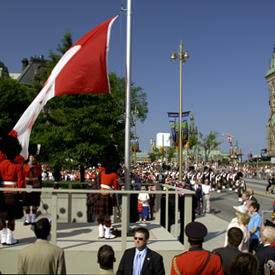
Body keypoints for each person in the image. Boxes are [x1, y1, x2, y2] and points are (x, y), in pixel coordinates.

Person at [88, 145, 120, 239]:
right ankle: (107, 234)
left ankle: (101, 233)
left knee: (100, 215)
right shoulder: (114, 175)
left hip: (98, 195)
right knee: (107, 216)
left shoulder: (101, 171)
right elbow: (117, 187)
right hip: (107, 196)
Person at [0, 135, 25, 245]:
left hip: (2, 192)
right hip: (13, 193)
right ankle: (10, 238)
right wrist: (20, 193)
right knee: (11, 216)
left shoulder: (1, 164)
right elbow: (21, 182)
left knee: (1, 215)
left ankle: (3, 237)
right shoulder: (18, 166)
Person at [23, 152, 42, 225]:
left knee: (35, 203)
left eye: (33, 157)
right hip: (27, 185)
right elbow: (25, 172)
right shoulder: (25, 166)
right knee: (26, 203)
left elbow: (36, 173)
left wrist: (31, 167)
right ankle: (28, 218)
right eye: (31, 157)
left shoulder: (38, 166)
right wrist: (28, 166)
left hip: (35, 185)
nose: (32, 158)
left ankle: (33, 218)